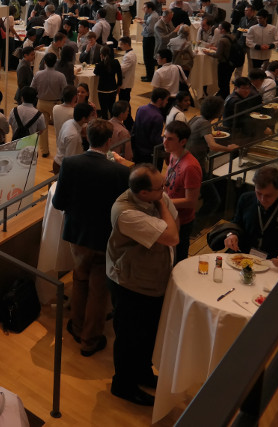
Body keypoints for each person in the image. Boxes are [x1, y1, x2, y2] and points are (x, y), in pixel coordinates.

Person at [52, 119, 130, 356]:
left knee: (79, 279)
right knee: (99, 289)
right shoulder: (121, 172)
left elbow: (58, 202)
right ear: (109, 141)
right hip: (105, 237)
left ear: (87, 138)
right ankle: (90, 339)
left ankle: (77, 327)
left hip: (77, 235)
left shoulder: (70, 164)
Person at [106, 164, 179, 407]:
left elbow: (174, 223)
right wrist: (162, 206)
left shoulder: (154, 196)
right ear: (144, 193)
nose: (165, 191)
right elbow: (172, 236)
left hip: (152, 279)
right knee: (129, 337)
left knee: (148, 333)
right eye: (160, 188)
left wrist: (162, 204)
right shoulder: (125, 212)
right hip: (130, 283)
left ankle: (143, 373)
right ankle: (123, 385)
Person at [223, 166, 278, 266]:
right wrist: (231, 234)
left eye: (268, 195)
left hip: (275, 264)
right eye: (258, 193)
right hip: (242, 257)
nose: (262, 199)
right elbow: (236, 223)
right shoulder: (246, 199)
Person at [161, 120, 202, 264]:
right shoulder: (172, 155)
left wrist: (163, 202)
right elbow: (169, 180)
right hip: (170, 216)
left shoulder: (190, 167)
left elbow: (191, 201)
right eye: (164, 137)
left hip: (182, 222)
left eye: (170, 139)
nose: (165, 142)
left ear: (183, 141)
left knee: (178, 261)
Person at [53, 101, 94, 174]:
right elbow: (69, 159)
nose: (91, 118)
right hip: (62, 167)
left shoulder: (69, 122)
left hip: (60, 162)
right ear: (84, 119)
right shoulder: (73, 136)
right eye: (91, 116)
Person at [132, 88, 169, 165]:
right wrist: (165, 139)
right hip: (148, 154)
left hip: (137, 149)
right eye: (166, 99)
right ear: (159, 100)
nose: (167, 102)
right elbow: (154, 140)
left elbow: (134, 129)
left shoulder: (141, 109)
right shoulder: (158, 117)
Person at [94, 45, 122, 119]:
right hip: (113, 88)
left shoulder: (99, 65)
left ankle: (105, 123)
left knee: (104, 110)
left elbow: (95, 73)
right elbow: (120, 75)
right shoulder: (116, 62)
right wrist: (119, 85)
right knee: (112, 109)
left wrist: (100, 62)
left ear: (101, 54)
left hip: (102, 90)